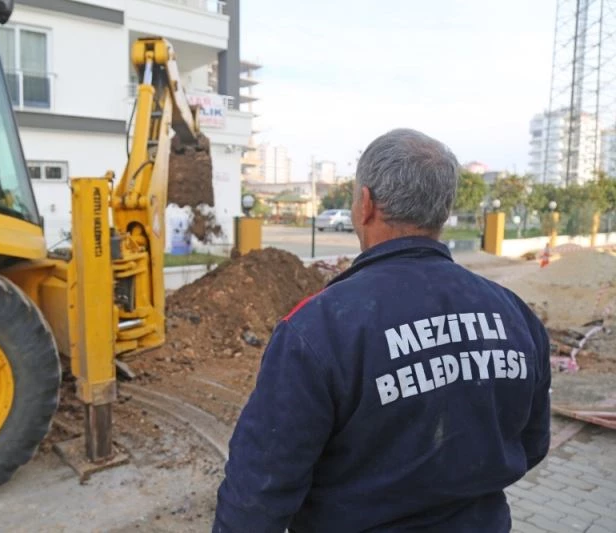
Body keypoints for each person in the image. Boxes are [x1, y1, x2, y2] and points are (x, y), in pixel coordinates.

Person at [213, 128, 551, 533]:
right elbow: (531, 444)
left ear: (365, 204)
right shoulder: (513, 313)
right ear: (442, 210)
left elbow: (258, 495)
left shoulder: (317, 329)